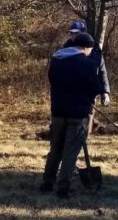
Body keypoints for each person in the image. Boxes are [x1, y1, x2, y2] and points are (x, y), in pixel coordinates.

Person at [41, 32, 105, 199]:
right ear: (85, 48)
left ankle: (47, 182)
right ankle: (63, 187)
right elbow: (95, 88)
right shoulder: (87, 63)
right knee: (70, 152)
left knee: (55, 149)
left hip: (58, 112)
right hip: (78, 114)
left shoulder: (56, 60)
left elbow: (52, 80)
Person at [64, 20, 110, 107]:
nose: (74, 36)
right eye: (72, 33)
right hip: (71, 93)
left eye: (76, 33)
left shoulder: (95, 48)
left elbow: (101, 70)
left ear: (84, 33)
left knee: (88, 117)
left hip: (90, 93)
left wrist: (105, 92)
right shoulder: (66, 48)